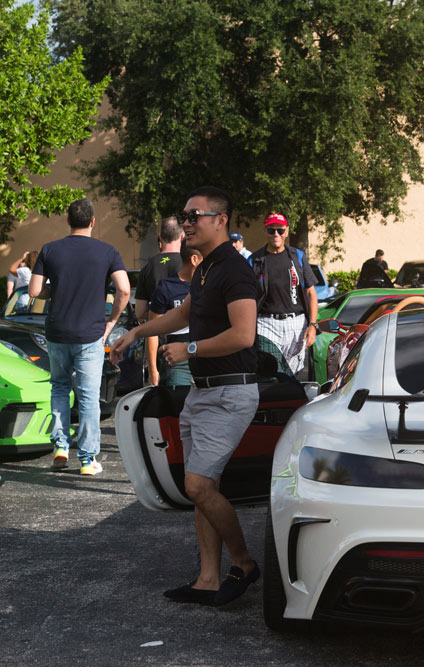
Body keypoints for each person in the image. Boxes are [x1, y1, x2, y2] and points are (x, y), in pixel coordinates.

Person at [110, 185, 261, 606]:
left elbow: (243, 334)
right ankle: (208, 579)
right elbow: (184, 313)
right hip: (201, 391)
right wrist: (138, 331)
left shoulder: (235, 268)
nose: (187, 223)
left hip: (229, 394)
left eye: (196, 216)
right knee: (202, 487)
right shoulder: (208, 267)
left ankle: (244, 562)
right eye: (186, 216)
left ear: (221, 220)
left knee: (197, 486)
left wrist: (190, 348)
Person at [29, 198, 130, 476]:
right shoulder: (108, 251)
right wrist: (111, 322)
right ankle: (87, 460)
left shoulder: (50, 250)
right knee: (88, 396)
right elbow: (123, 290)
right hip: (90, 334)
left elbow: (35, 291)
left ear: (68, 220)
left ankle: (60, 448)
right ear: (93, 222)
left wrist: (58, 289)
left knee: (59, 387)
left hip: (58, 332)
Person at [248, 213, 318, 376]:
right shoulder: (255, 260)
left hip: (296, 324)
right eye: (271, 231)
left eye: (280, 230)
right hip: (267, 324)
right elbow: (247, 296)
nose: (276, 235)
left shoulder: (297, 256)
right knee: (271, 373)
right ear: (266, 232)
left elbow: (311, 293)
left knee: (292, 377)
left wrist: (313, 326)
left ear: (286, 231)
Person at [145, 244, 202, 388]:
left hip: (206, 356)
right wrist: (153, 371)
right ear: (194, 259)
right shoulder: (166, 287)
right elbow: (152, 332)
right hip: (177, 362)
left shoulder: (209, 285)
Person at [136, 216, 184, 321]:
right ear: (182, 237)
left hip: (157, 333)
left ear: (160, 237)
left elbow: (139, 313)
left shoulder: (148, 267)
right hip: (185, 333)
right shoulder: (190, 263)